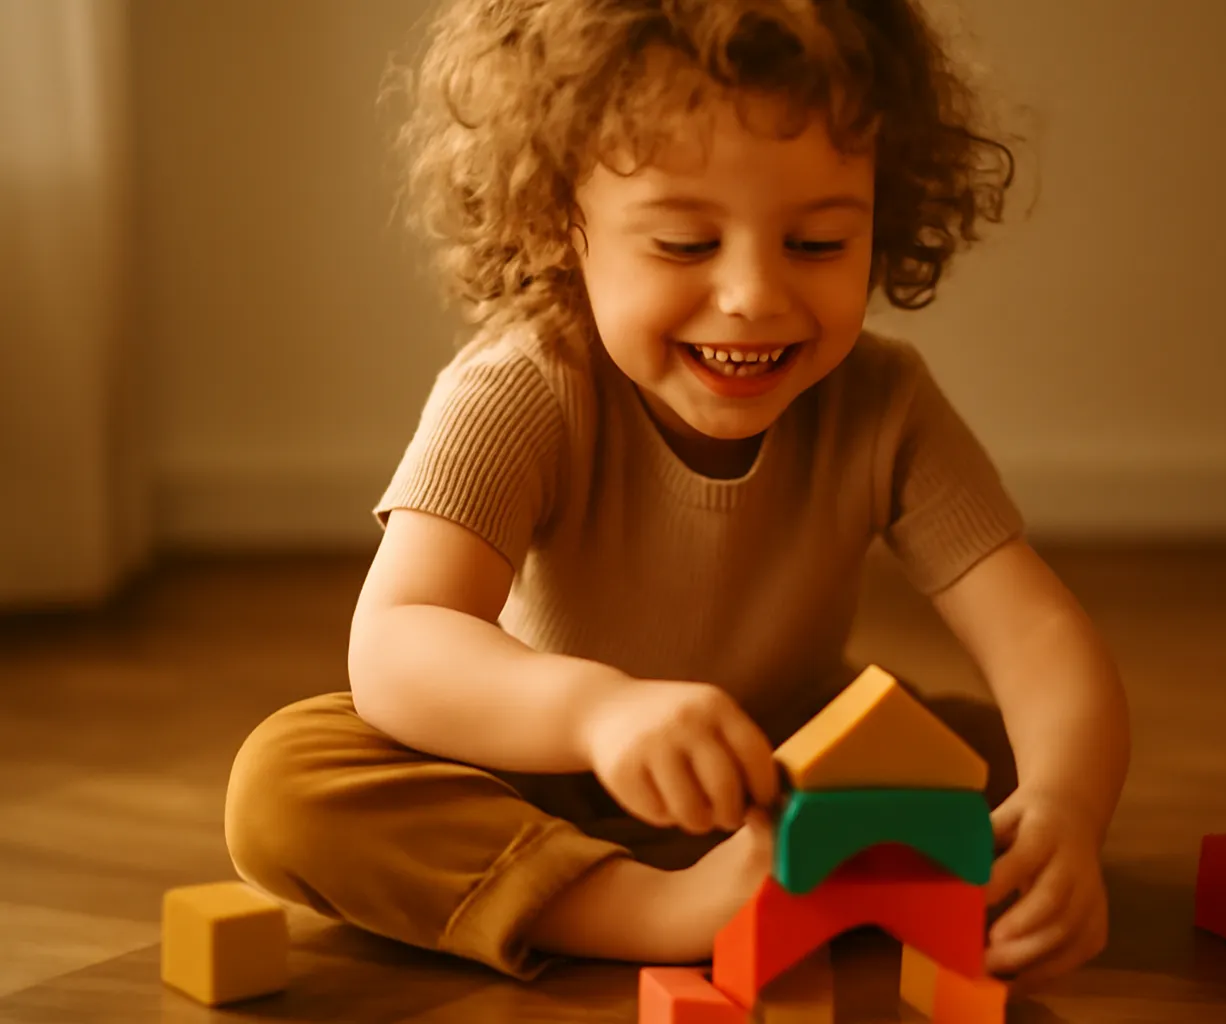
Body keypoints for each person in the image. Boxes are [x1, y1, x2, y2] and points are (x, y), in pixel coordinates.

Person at [224, 0, 1130, 994]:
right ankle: (648, 910)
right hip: (540, 778)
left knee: (1000, 752)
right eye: (687, 244)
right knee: (285, 784)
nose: (754, 295)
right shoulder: (524, 387)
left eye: (817, 243)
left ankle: (779, 873)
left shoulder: (886, 403)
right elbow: (398, 643)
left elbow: (1038, 636)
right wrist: (599, 715)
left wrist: (1068, 809)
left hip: (783, 775)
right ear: (561, 226)